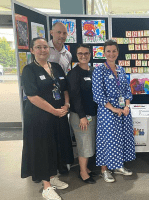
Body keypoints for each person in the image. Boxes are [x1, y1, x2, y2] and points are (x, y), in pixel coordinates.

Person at [21, 37, 73, 200]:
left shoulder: (56, 67)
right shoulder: (29, 70)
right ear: (32, 50)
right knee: (44, 149)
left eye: (45, 47)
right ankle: (46, 187)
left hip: (58, 115)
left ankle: (52, 177)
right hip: (39, 117)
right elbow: (32, 96)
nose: (43, 50)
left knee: (56, 147)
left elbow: (64, 89)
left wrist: (66, 105)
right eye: (38, 47)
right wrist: (54, 111)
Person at [92, 40, 135, 183]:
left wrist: (127, 106)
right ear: (104, 53)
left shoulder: (121, 69)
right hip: (107, 111)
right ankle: (104, 170)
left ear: (118, 52)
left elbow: (127, 90)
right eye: (108, 51)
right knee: (107, 140)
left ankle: (118, 166)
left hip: (123, 110)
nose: (111, 54)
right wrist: (114, 108)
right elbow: (98, 94)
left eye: (114, 51)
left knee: (120, 138)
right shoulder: (99, 70)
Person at [67, 44, 98, 184]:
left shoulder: (92, 71)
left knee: (89, 142)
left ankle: (86, 167)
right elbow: (75, 97)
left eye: (86, 53)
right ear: (76, 55)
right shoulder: (74, 73)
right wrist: (82, 116)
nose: (83, 56)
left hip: (92, 114)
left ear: (90, 55)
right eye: (80, 53)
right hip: (81, 116)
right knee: (84, 143)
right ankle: (83, 172)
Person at [49, 21, 73, 174]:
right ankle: (49, 168)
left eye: (64, 33)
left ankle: (62, 164)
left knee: (62, 134)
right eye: (58, 32)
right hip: (47, 99)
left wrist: (66, 103)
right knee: (48, 135)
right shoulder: (45, 50)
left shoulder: (68, 54)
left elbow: (65, 81)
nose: (62, 36)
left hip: (61, 99)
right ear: (52, 32)